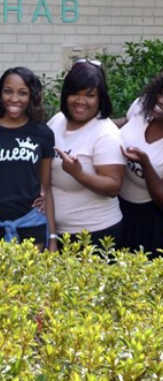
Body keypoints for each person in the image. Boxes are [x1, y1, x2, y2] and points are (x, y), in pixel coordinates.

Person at [47, 60, 126, 247]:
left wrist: (78, 173)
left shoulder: (106, 133)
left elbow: (113, 187)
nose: (81, 101)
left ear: (100, 98)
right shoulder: (57, 121)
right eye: (75, 93)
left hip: (95, 233)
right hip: (57, 233)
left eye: (90, 95)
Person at [0, 67, 57, 252]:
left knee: (32, 279)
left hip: (31, 221)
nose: (14, 99)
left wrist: (53, 238)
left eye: (22, 93)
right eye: (8, 91)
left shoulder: (43, 133)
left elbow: (45, 188)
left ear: (32, 96)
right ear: (0, 93)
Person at [117, 73, 163, 258]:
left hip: (150, 221)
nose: (160, 100)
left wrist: (145, 163)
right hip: (118, 207)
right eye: (159, 92)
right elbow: (126, 123)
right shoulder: (142, 106)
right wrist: (95, 123)